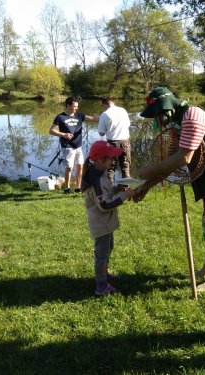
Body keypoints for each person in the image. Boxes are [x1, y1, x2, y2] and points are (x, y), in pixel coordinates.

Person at [134, 87, 205, 292]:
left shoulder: (192, 115)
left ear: (165, 108)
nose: (157, 120)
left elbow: (184, 158)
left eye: (157, 114)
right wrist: (146, 186)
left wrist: (150, 170)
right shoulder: (177, 122)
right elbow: (171, 163)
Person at [81, 140, 136, 296]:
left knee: (108, 249)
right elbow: (104, 205)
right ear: (99, 160)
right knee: (101, 254)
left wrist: (117, 188)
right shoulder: (95, 180)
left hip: (107, 224)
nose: (113, 161)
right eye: (110, 158)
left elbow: (107, 192)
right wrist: (124, 196)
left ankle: (104, 274)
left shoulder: (102, 173)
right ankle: (101, 285)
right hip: (101, 225)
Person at [50, 97, 99, 194]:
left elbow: (93, 118)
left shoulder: (79, 115)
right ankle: (67, 188)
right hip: (67, 146)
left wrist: (106, 115)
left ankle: (78, 187)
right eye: (74, 107)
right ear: (68, 105)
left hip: (78, 146)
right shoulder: (60, 117)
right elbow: (51, 131)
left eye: (77, 107)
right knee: (69, 167)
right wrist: (64, 134)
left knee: (80, 166)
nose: (76, 108)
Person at [97, 97, 132, 182]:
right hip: (125, 141)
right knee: (125, 166)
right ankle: (126, 189)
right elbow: (128, 125)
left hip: (112, 143)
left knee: (110, 168)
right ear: (113, 102)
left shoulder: (104, 114)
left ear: (105, 104)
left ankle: (110, 189)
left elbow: (101, 133)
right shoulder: (123, 110)